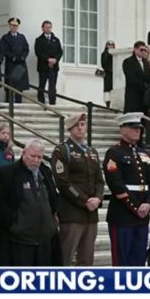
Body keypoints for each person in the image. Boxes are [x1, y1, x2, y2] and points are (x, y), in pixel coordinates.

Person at [0, 141, 61, 266]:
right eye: (33, 156)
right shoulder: (6, 173)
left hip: (44, 239)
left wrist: (52, 222)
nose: (36, 160)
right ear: (23, 153)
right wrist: (13, 224)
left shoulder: (45, 172)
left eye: (39, 157)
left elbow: (53, 197)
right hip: (18, 241)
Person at [103, 112, 150, 266]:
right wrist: (136, 207)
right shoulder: (114, 153)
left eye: (139, 128)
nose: (137, 131)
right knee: (122, 260)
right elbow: (116, 184)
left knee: (139, 259)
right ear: (122, 130)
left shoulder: (143, 153)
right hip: (123, 214)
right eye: (133, 128)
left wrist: (149, 203)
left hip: (142, 216)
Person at [51, 113, 105, 266]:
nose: (81, 128)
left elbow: (99, 180)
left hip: (91, 214)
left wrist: (98, 198)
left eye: (83, 124)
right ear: (70, 128)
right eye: (77, 125)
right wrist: (84, 200)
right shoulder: (62, 150)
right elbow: (62, 182)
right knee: (66, 256)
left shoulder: (91, 152)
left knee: (87, 259)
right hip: (72, 212)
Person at [34, 20, 63, 105]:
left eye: (49, 27)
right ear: (42, 28)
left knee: (53, 86)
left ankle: (52, 102)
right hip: (43, 66)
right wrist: (47, 59)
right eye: (46, 27)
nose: (48, 29)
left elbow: (60, 51)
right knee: (42, 85)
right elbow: (38, 52)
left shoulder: (56, 40)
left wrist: (55, 60)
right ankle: (41, 102)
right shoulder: (39, 40)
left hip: (54, 67)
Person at [1, 18, 30, 102]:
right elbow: (4, 50)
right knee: (10, 86)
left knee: (19, 87)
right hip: (11, 64)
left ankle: (18, 103)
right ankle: (8, 104)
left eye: (16, 26)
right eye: (12, 25)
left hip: (20, 64)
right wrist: (13, 57)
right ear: (9, 26)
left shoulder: (21, 37)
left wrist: (22, 57)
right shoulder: (5, 37)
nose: (14, 27)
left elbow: (26, 48)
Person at [122, 42, 150, 113]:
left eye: (144, 50)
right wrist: (143, 85)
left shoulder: (146, 63)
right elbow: (131, 78)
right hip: (133, 96)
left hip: (144, 97)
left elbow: (148, 77)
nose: (143, 52)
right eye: (141, 49)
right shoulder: (128, 62)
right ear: (135, 49)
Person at [100, 41, 115, 106]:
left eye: (112, 45)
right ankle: (107, 102)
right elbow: (103, 64)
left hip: (114, 74)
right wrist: (109, 69)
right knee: (107, 88)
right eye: (109, 44)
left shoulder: (115, 54)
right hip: (107, 74)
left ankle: (113, 101)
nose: (110, 46)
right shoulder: (104, 54)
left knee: (113, 88)